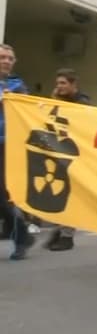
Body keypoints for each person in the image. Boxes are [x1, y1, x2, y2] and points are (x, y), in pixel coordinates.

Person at [40, 68, 90, 251]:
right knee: (58, 194)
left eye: (63, 83)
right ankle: (60, 229)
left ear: (73, 85)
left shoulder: (82, 102)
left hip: (74, 155)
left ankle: (67, 236)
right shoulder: (58, 100)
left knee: (71, 195)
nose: (59, 87)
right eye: (58, 83)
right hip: (59, 153)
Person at [0, 43, 35, 259]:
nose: (6, 61)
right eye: (2, 57)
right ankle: (22, 234)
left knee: (4, 195)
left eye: (10, 58)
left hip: (6, 144)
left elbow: (28, 111)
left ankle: (21, 236)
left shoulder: (17, 86)